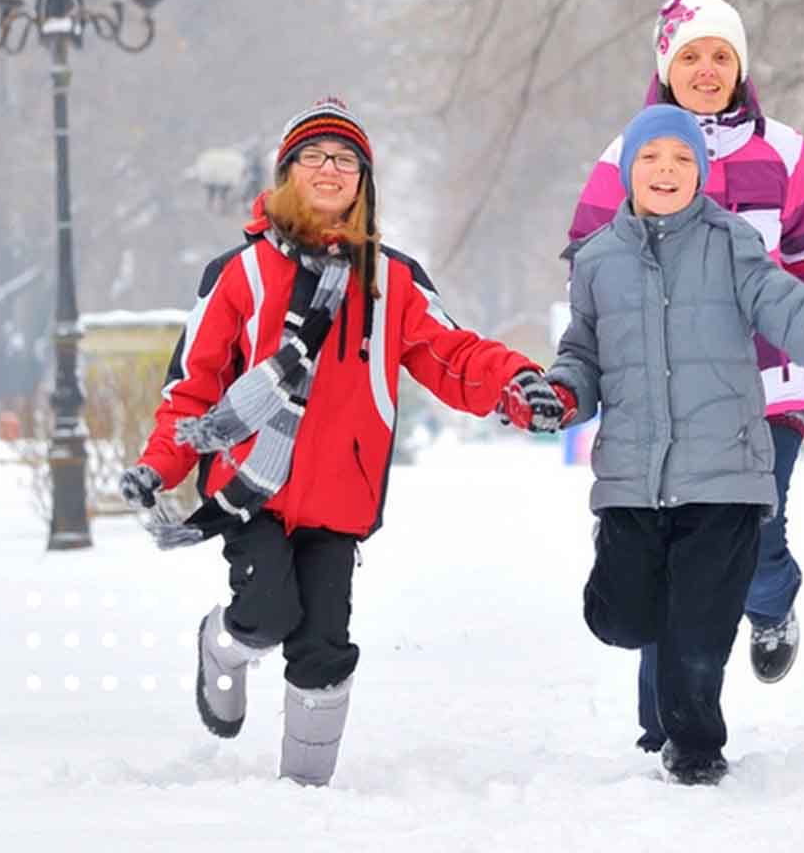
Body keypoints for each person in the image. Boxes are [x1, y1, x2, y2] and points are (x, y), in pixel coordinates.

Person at [118, 98, 562, 787]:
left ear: (364, 182)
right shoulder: (240, 273)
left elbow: (452, 355)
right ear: (288, 172)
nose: (330, 169)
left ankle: (303, 801)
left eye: (346, 160)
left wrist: (516, 385)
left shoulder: (394, 281)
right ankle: (224, 646)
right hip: (252, 491)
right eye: (314, 157)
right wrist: (157, 467)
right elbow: (194, 387)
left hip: (340, 499)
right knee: (267, 616)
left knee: (324, 647)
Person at [543, 104, 804, 784]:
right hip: (632, 478)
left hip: (726, 472)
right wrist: (559, 394)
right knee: (621, 619)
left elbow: (796, 311)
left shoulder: (731, 243)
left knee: (698, 633)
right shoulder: (596, 261)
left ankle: (696, 753)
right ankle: (647, 615)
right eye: (651, 159)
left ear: (700, 173)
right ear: (627, 171)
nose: (666, 171)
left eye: (681, 159)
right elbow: (581, 353)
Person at [565, 0, 804, 747]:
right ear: (665, 66)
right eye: (690, 55)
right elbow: (590, 265)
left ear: (741, 64)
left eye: (721, 55)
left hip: (764, 388)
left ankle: (772, 597)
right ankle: (667, 726)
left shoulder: (783, 151)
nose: (707, 69)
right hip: (661, 395)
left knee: (757, 534)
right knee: (666, 550)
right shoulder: (628, 152)